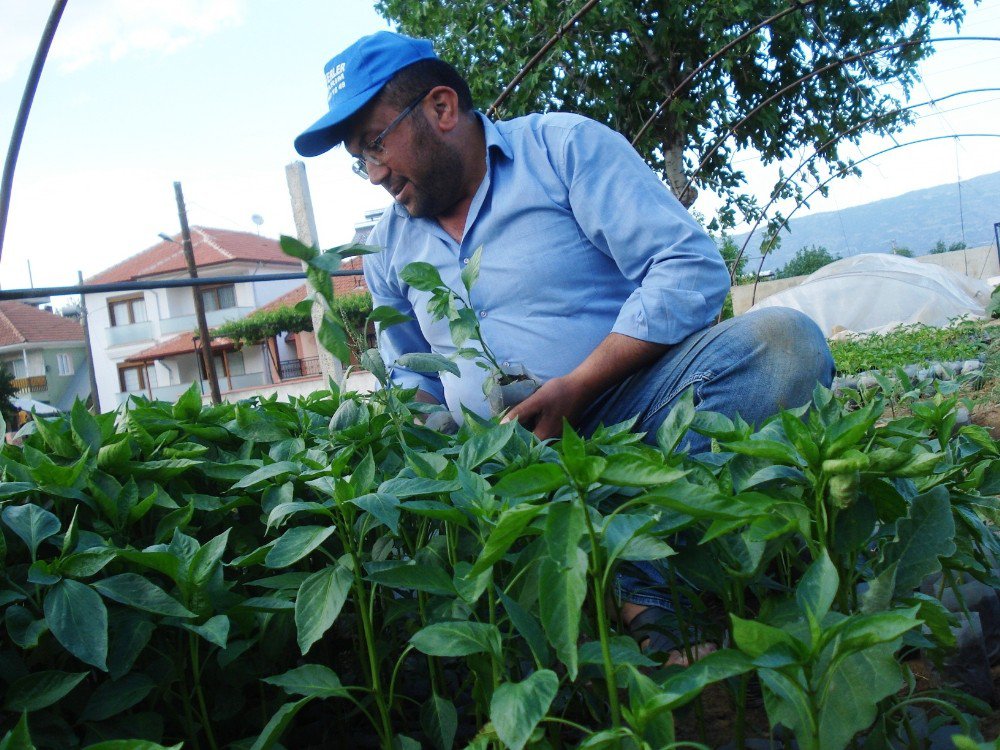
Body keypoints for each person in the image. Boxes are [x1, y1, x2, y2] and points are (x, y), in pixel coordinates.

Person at [294, 30, 835, 660]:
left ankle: (642, 584)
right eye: (359, 157)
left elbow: (689, 269)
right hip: (497, 465)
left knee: (783, 343)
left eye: (376, 144)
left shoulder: (562, 150)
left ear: (441, 109)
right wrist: (446, 453)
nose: (374, 173)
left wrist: (578, 386)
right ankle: (618, 565)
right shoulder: (389, 244)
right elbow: (409, 371)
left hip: (633, 411)